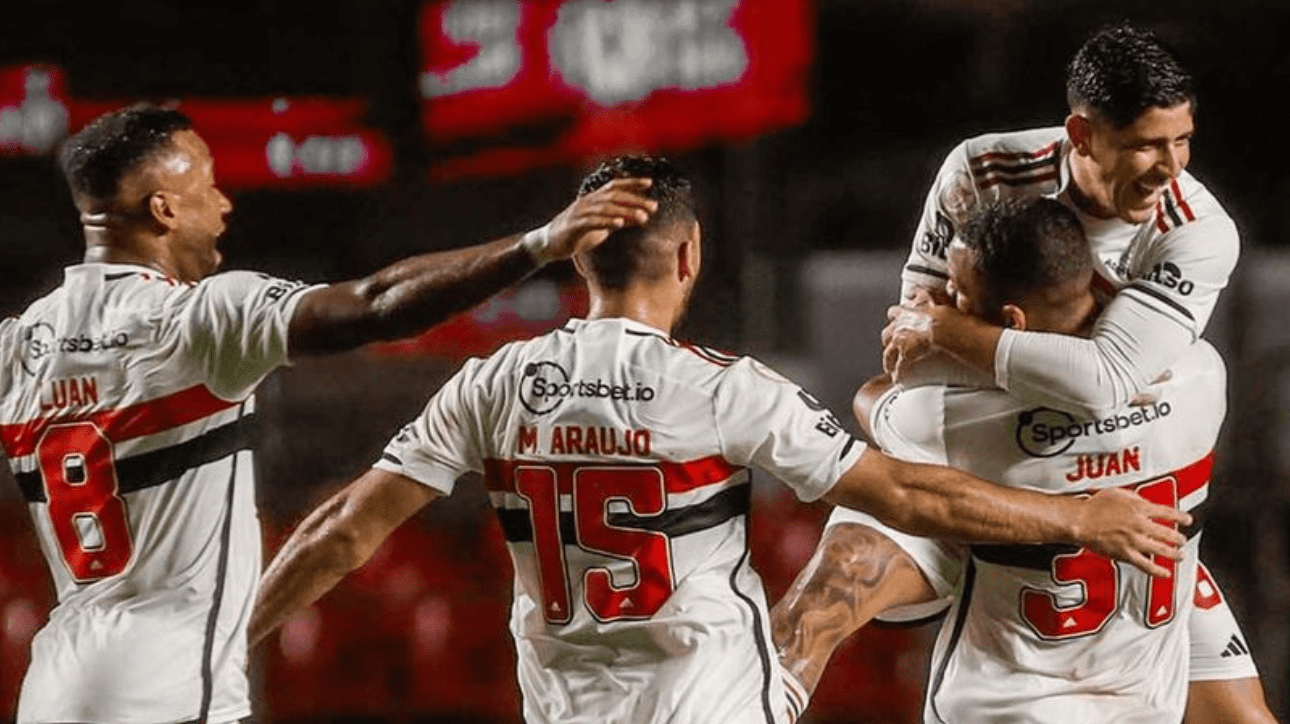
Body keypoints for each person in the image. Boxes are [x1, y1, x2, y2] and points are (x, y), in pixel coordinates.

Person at [247, 156, 1186, 724]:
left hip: (564, 709)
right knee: (865, 535)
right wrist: (1079, 516)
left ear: (580, 254)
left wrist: (231, 636)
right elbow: (915, 496)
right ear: (690, 257)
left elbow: (344, 531)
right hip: (719, 708)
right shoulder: (724, 389)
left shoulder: (496, 381)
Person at [0, 102, 660, 724]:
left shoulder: (18, 344)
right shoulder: (196, 320)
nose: (224, 205)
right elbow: (377, 304)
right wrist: (539, 245)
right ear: (163, 209)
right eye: (208, 187)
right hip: (165, 688)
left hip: (55, 684)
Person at [880, 23, 1276, 724]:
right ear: (1082, 134)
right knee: (829, 588)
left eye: (1183, 140)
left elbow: (1099, 383)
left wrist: (951, 328)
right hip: (991, 459)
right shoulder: (980, 171)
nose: (1170, 167)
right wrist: (1028, 359)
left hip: (1132, 475)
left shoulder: (1196, 229)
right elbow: (905, 360)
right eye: (1146, 145)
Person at [776, 196, 1219, 723]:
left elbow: (873, 398)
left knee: (819, 603)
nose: (945, 300)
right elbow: (1094, 384)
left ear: (1010, 320)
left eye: (958, 293)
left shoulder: (950, 420)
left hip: (997, 706)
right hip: (1143, 694)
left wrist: (947, 343)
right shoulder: (1201, 376)